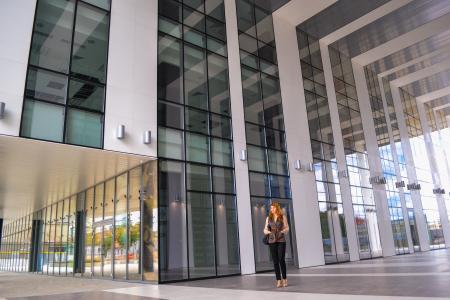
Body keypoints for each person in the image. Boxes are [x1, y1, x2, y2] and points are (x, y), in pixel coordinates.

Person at [264, 202, 289, 288]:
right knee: (275, 261)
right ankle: (279, 280)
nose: (271, 209)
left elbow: (287, 228)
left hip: (281, 240)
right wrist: (269, 232)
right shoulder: (268, 218)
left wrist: (282, 232)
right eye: (271, 208)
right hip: (272, 240)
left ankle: (285, 278)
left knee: (281, 259)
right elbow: (265, 229)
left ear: (277, 208)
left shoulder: (283, 217)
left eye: (273, 208)